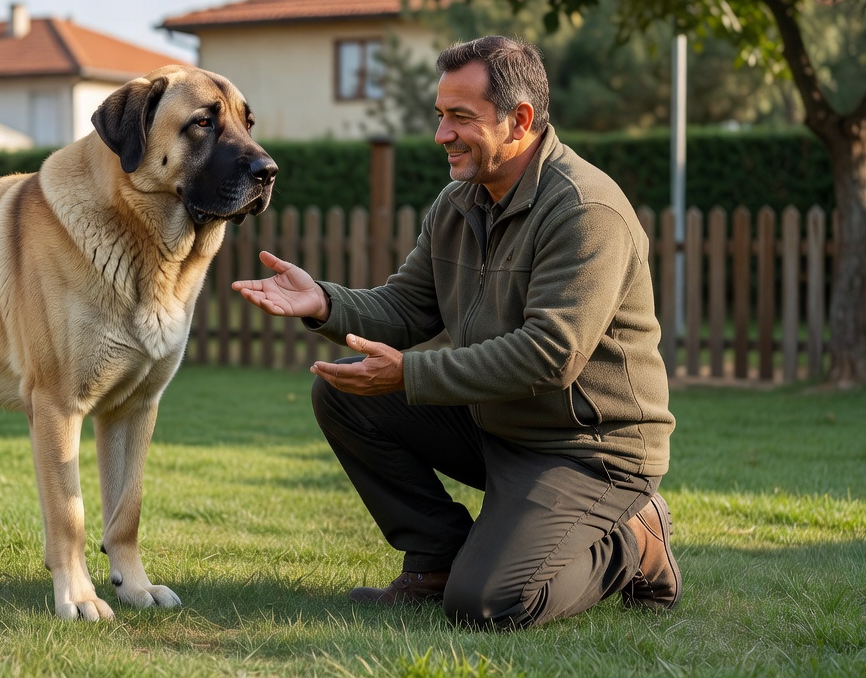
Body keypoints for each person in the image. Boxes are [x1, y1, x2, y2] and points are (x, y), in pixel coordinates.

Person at [231, 35, 679, 630]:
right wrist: (324, 303)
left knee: (489, 604)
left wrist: (409, 373)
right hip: (496, 423)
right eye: (440, 116)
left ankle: (633, 541)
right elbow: (407, 307)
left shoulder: (584, 210)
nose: (442, 134)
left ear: (520, 120)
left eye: (460, 118)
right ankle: (436, 559)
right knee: (342, 393)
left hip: (586, 449)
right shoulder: (458, 203)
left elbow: (551, 355)